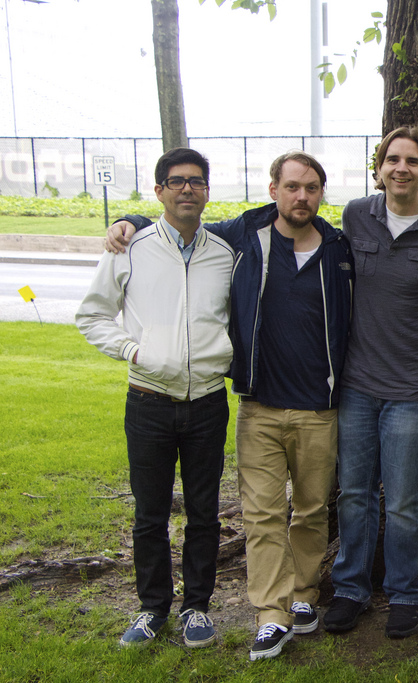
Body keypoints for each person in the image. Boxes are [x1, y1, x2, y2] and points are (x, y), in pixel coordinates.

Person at [106, 151, 354, 661]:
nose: (301, 196)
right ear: (273, 190)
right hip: (257, 405)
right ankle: (271, 615)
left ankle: (303, 595)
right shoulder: (243, 235)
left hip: (319, 407)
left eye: (311, 188)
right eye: (292, 186)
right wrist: (129, 221)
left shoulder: (339, 248)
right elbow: (183, 223)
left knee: (311, 510)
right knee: (262, 515)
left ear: (321, 194)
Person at [78, 147, 234, 649]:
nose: (187, 188)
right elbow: (92, 315)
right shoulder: (130, 247)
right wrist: (134, 351)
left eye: (196, 181)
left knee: (204, 513)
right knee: (150, 514)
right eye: (177, 181)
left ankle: (197, 608)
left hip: (207, 402)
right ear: (159, 191)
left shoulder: (223, 254)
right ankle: (152, 608)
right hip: (148, 402)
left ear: (206, 191)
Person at [324, 126, 418, 639]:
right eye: (393, 159)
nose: (401, 168)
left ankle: (406, 593)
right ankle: (350, 589)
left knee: (406, 502)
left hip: (416, 391)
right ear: (379, 168)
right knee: (354, 494)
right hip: (356, 385)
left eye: (412, 160)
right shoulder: (354, 217)